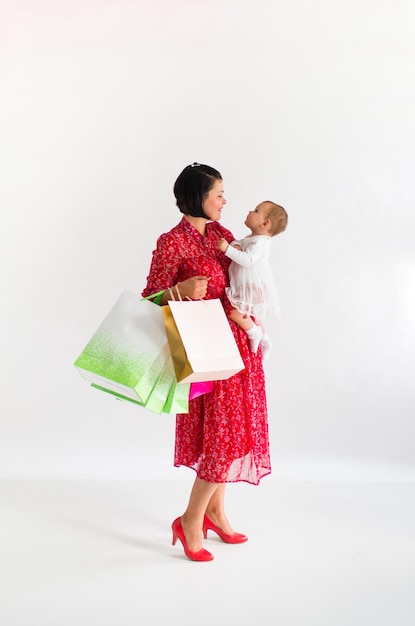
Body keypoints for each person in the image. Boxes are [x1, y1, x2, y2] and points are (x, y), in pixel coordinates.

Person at [141, 162, 273, 562]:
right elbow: (149, 300)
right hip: (203, 351)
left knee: (235, 434)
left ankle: (216, 511)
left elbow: (243, 279)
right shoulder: (172, 242)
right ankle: (190, 520)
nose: (224, 201)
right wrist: (178, 289)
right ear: (198, 196)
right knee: (220, 437)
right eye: (218, 194)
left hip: (235, 346)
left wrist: (252, 314)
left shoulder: (220, 234)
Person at [217, 201, 288, 361]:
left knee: (235, 312)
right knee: (250, 314)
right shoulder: (252, 238)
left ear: (265, 223)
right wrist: (235, 245)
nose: (250, 211)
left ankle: (254, 333)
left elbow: (247, 259)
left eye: (256, 211)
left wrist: (227, 249)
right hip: (247, 285)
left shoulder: (261, 242)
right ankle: (264, 339)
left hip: (253, 286)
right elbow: (240, 244)